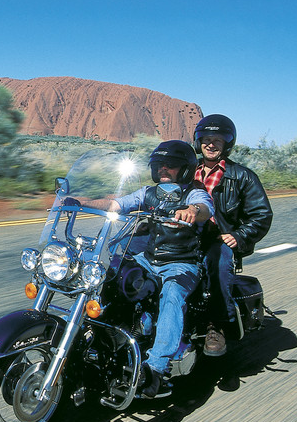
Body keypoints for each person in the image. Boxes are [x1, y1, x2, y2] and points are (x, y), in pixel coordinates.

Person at [76, 140, 214, 398]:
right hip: (148, 259)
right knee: (109, 272)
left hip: (181, 263)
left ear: (184, 169)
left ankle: (156, 370)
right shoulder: (148, 193)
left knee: (172, 295)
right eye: (159, 164)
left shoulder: (194, 192)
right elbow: (115, 204)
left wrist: (192, 211)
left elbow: (204, 208)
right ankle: (99, 337)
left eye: (171, 165)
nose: (164, 168)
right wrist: (78, 201)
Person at [193, 114, 273, 356]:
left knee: (218, 261)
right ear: (198, 142)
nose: (211, 144)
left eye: (217, 140)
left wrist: (239, 234)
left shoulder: (242, 176)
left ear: (227, 144)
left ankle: (216, 325)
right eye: (206, 139)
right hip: (183, 237)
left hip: (219, 240)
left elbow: (261, 214)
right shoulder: (186, 171)